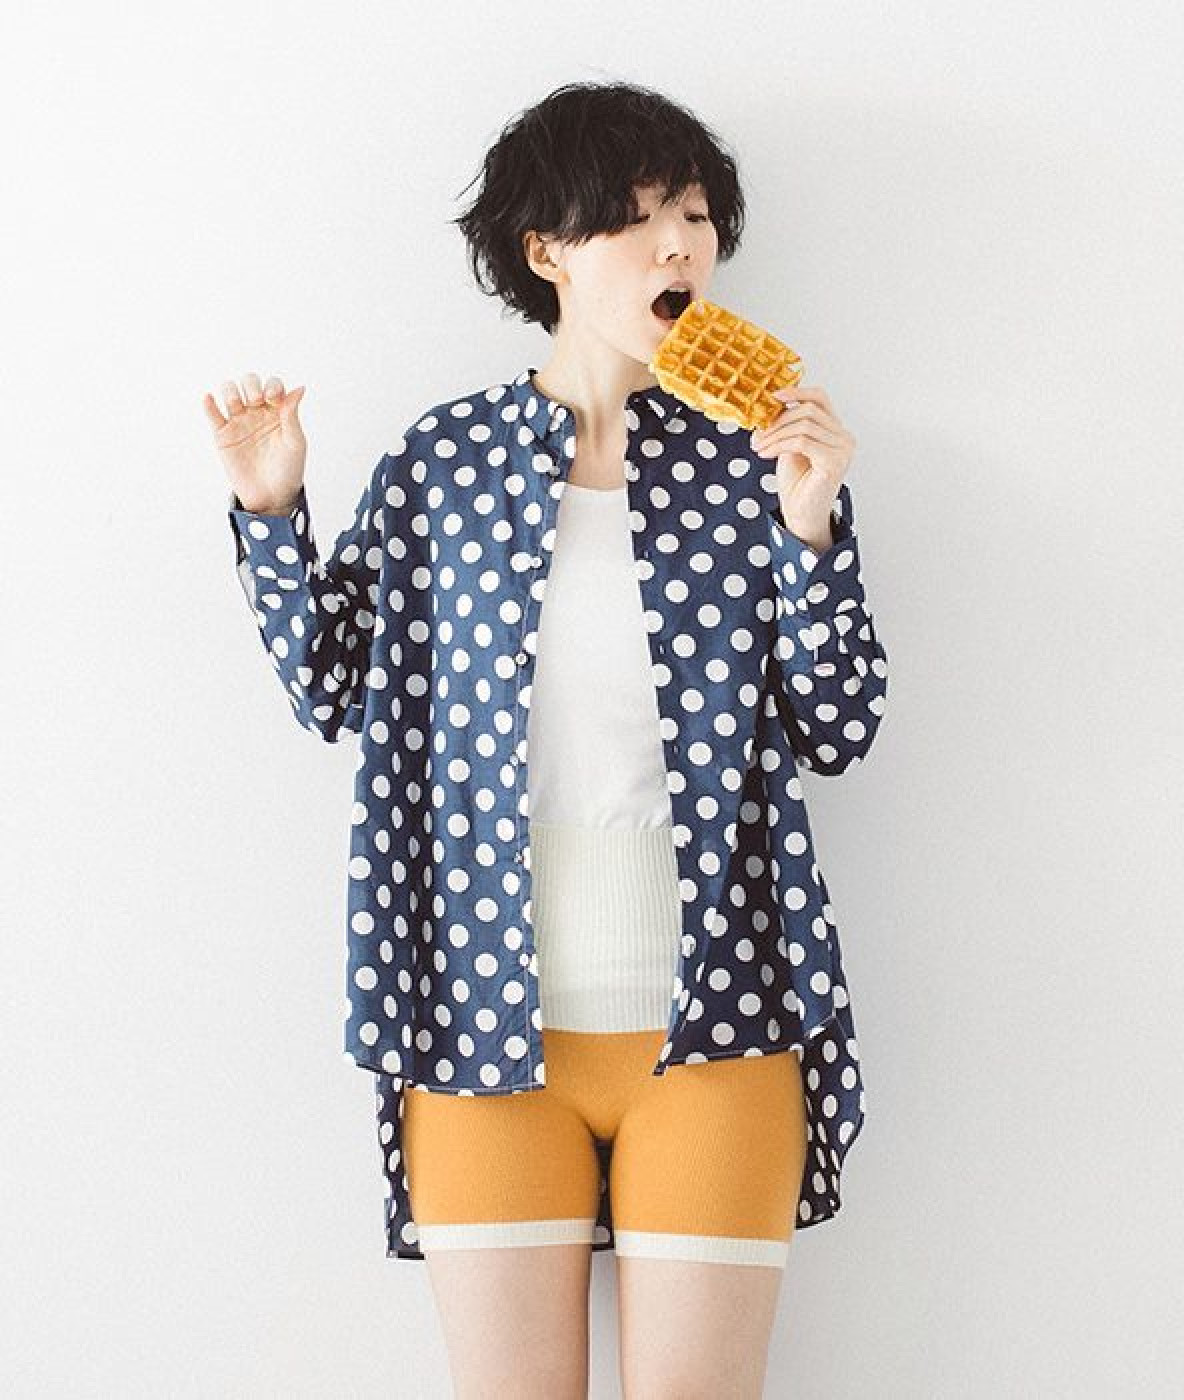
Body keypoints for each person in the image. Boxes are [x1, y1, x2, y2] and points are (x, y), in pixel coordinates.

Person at [203, 79, 888, 1399]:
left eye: (696, 214)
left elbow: (839, 724)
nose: (680, 244)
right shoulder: (446, 464)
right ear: (547, 251)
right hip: (481, 1028)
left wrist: (811, 528)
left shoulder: (757, 464)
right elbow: (334, 688)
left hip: (722, 1020)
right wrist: (272, 514)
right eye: (637, 217)